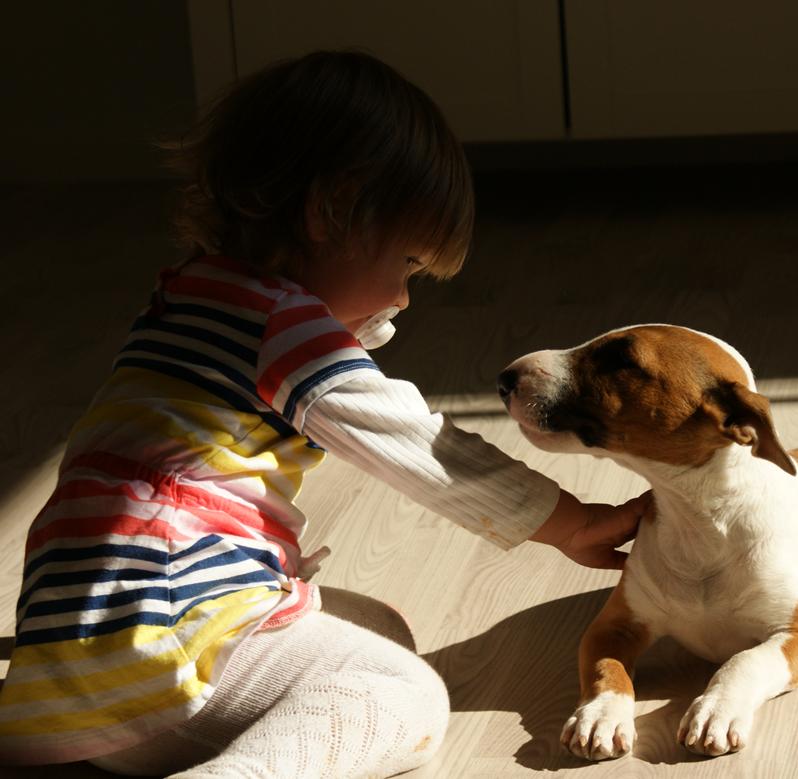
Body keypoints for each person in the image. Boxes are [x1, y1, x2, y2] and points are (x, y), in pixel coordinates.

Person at [0, 50, 646, 777]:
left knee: (379, 626)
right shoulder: (284, 326)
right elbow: (420, 446)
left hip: (69, 666)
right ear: (330, 209)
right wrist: (572, 521)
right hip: (169, 633)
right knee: (405, 694)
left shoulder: (187, 297)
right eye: (405, 265)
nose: (403, 297)